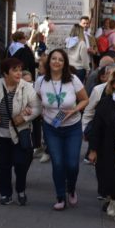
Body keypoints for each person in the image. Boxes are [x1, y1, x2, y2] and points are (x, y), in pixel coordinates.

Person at [0, 58, 41, 205]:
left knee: (20, 164)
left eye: (20, 69)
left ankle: (20, 189)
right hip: (0, 134)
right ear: (5, 73)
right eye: (15, 70)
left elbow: (37, 107)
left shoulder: (26, 87)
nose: (19, 73)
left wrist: (24, 116)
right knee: (3, 165)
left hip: (20, 134)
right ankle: (5, 194)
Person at [35, 49, 89, 210]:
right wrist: (40, 111)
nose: (56, 62)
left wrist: (74, 110)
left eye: (60, 59)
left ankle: (71, 189)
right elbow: (37, 99)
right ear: (48, 61)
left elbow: (85, 99)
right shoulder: (40, 81)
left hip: (72, 127)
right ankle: (60, 197)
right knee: (57, 163)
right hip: (51, 127)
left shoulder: (73, 80)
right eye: (53, 59)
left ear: (65, 63)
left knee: (72, 164)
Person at [88, 69, 115, 224]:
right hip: (107, 147)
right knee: (111, 178)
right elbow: (96, 127)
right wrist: (93, 150)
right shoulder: (105, 102)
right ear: (112, 84)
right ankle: (113, 201)